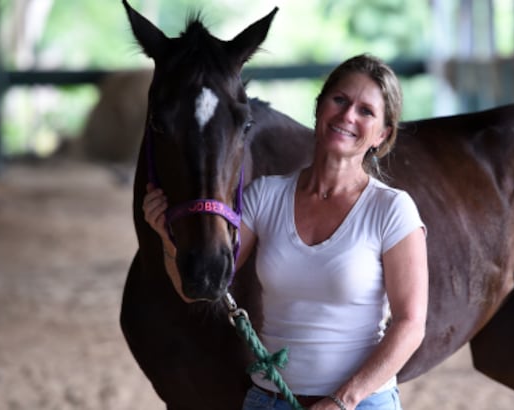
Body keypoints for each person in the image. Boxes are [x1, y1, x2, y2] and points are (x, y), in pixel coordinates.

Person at [143, 54, 428, 410]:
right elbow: (201, 292)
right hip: (269, 400)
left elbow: (411, 324)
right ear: (319, 107)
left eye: (366, 111)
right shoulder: (265, 195)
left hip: (362, 404)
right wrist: (166, 241)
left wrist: (343, 400)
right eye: (339, 100)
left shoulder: (392, 209)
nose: (347, 116)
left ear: (382, 135)